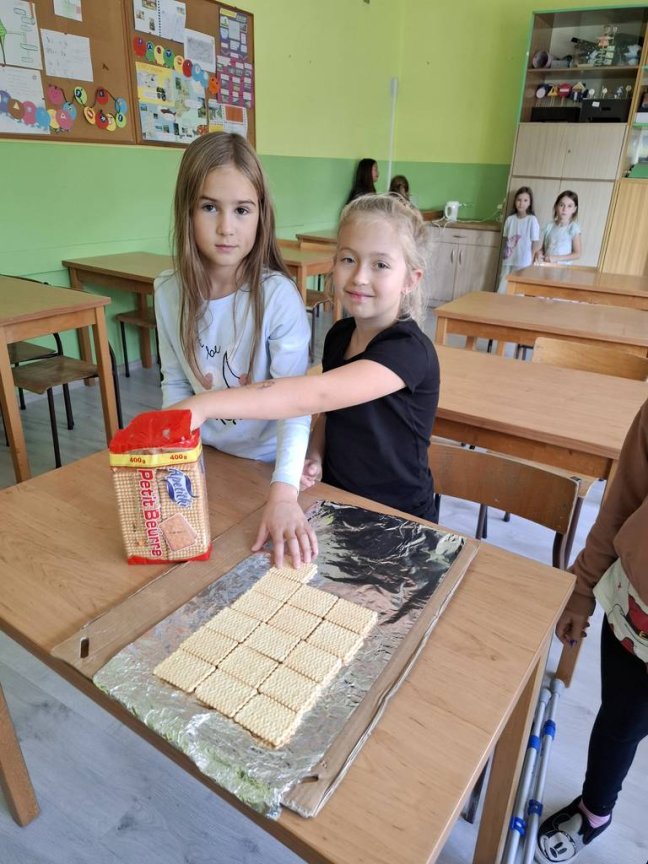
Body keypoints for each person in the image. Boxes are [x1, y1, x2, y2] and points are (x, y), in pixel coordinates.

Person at [174, 193, 440, 524]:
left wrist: (202, 405)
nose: (359, 276)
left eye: (380, 265)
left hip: (399, 516)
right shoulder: (340, 335)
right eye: (348, 259)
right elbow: (331, 411)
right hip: (336, 499)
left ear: (411, 279)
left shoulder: (408, 350)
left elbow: (317, 395)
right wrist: (315, 451)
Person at [154, 131, 316, 569]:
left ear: (261, 215)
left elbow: (295, 406)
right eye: (210, 207)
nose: (227, 227)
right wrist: (176, 459)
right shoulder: (167, 291)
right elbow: (175, 383)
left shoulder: (278, 297)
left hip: (268, 469)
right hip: (204, 460)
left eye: (242, 210)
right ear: (186, 211)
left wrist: (284, 491)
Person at [535, 397, 648, 863]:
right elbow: (622, 501)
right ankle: (596, 809)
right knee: (620, 722)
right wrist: (581, 591)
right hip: (636, 613)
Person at [497, 186, 541, 292]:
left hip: (524, 261)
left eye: (525, 200)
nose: (521, 203)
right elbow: (506, 240)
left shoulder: (532, 220)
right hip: (508, 260)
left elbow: (535, 242)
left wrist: (531, 259)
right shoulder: (510, 219)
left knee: (519, 290)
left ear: (530, 203)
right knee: (503, 288)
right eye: (519, 200)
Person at [535, 190, 582, 265]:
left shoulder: (573, 228)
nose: (565, 209)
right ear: (556, 206)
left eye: (569, 206)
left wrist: (556, 258)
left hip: (563, 269)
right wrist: (539, 253)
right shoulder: (549, 226)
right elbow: (544, 248)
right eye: (561, 205)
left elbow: (577, 254)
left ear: (574, 209)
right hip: (547, 266)